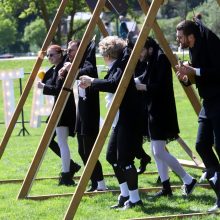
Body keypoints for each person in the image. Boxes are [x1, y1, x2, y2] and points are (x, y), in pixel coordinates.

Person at [79, 36, 143, 209]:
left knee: (124, 160)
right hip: (119, 119)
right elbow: (109, 83)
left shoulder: (121, 67)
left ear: (107, 54)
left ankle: (135, 199)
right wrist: (91, 84)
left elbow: (113, 84)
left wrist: (92, 81)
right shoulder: (117, 66)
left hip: (127, 119)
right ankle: (124, 195)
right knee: (111, 157)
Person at [135, 37, 197, 197]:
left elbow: (161, 86)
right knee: (156, 151)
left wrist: (143, 87)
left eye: (141, 51)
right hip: (153, 110)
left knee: (158, 151)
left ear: (148, 48)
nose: (139, 55)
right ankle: (166, 188)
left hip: (162, 111)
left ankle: (188, 180)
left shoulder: (160, 58)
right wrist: (133, 81)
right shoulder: (152, 58)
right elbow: (145, 77)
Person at [176, 19, 220, 212]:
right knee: (201, 145)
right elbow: (201, 77)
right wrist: (187, 79)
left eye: (180, 37)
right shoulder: (193, 47)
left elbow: (217, 72)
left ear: (190, 36)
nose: (178, 41)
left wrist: (194, 70)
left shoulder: (212, 44)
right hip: (208, 102)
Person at [59, 40, 107, 192]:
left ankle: (100, 183)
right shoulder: (75, 63)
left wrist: (71, 68)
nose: (69, 53)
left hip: (90, 112)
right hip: (80, 112)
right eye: (68, 50)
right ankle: (95, 181)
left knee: (89, 150)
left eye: (72, 50)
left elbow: (89, 72)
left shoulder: (87, 63)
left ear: (81, 51)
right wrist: (63, 71)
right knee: (81, 150)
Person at [37, 44, 78, 186]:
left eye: (51, 55)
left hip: (65, 107)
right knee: (50, 140)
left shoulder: (64, 67)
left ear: (60, 54)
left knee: (61, 141)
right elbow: (47, 80)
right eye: (47, 55)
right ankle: (70, 167)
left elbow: (59, 89)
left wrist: (43, 87)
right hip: (59, 107)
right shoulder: (56, 67)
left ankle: (67, 174)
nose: (49, 58)